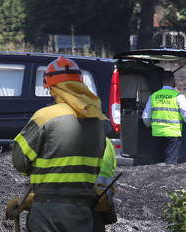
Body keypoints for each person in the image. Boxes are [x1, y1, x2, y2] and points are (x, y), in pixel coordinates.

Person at [11, 56, 109, 232]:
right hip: (83, 213)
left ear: (52, 88)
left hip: (47, 214)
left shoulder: (45, 116)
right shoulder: (98, 120)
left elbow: (20, 162)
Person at [142, 71, 186, 165]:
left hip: (157, 133)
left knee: (157, 163)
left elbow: (146, 116)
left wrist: (150, 126)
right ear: (172, 81)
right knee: (170, 164)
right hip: (173, 134)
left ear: (161, 81)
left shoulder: (153, 96)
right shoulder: (179, 97)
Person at [92, 137, 118, 232]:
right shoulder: (107, 140)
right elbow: (114, 166)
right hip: (106, 186)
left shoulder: (81, 137)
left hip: (92, 184)